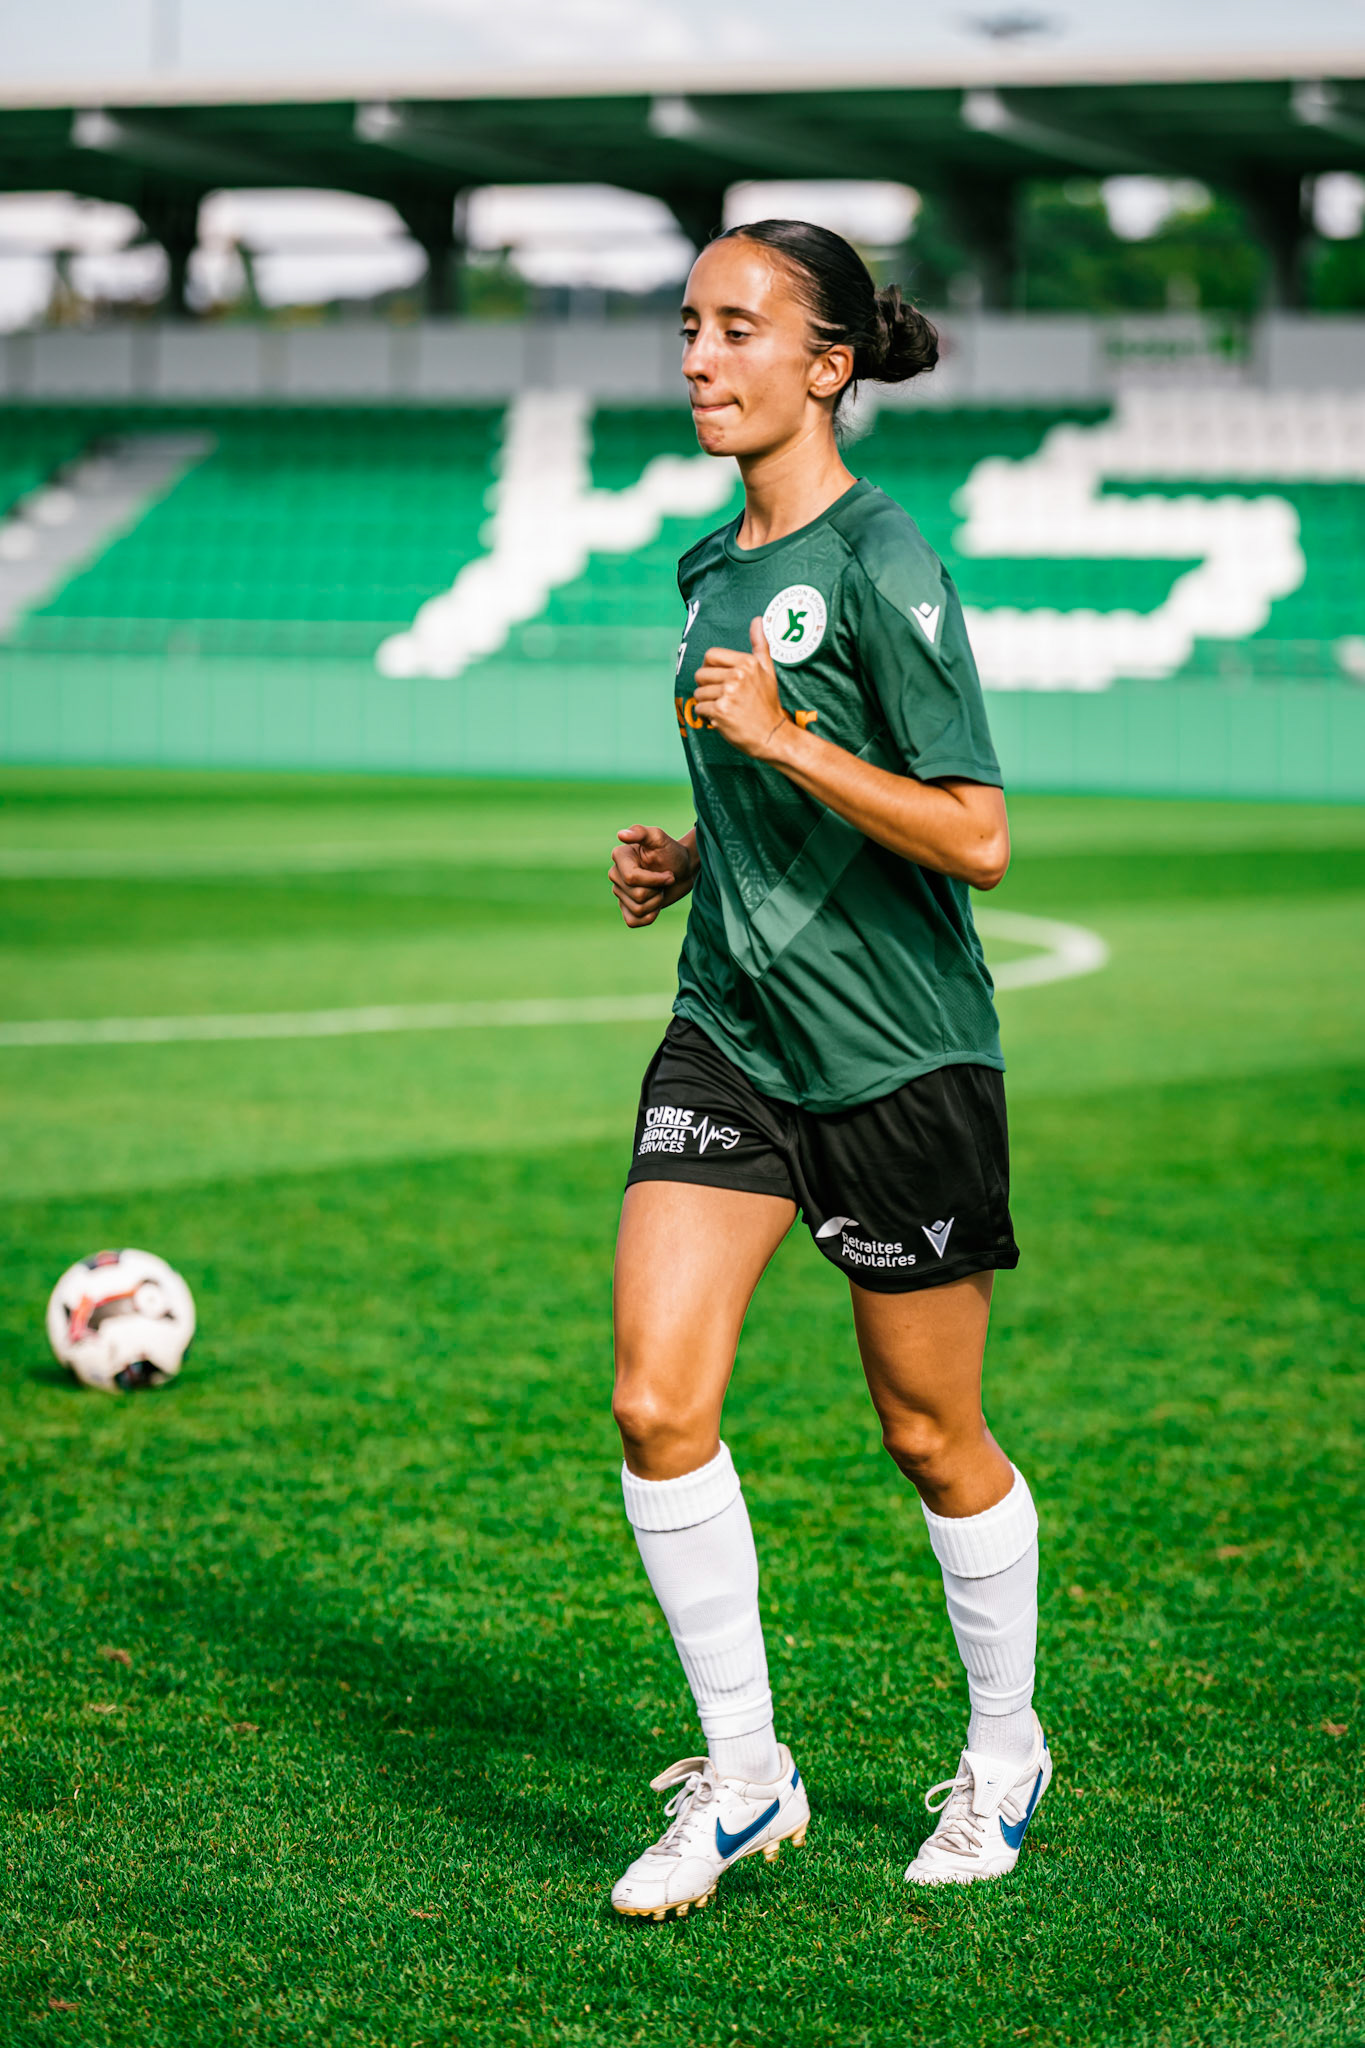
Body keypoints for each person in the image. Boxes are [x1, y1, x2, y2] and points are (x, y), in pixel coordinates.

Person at [605, 219, 1047, 1923]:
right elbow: (774, 814)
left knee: (930, 1435)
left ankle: (1002, 1750)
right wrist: (691, 863)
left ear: (828, 364)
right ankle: (744, 1774)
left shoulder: (886, 563)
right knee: (656, 1400)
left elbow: (979, 837)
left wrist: (786, 740)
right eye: (689, 327)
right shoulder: (706, 566)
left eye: (736, 330)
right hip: (732, 1030)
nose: (701, 358)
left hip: (898, 1058)